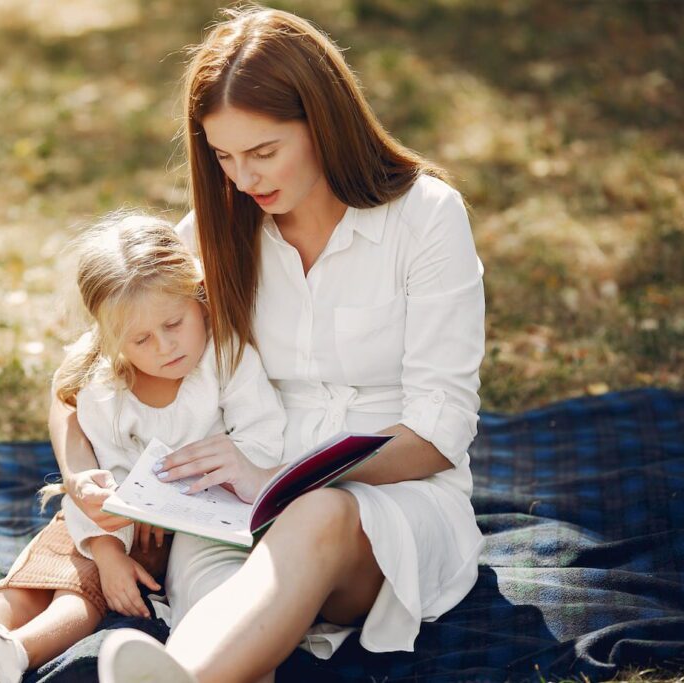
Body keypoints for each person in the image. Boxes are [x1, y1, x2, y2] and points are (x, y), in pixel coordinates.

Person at [49, 7, 487, 683]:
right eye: (224, 158)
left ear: (323, 124)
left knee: (316, 513)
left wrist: (282, 482)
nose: (245, 179)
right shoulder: (220, 228)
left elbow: (440, 431)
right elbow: (80, 378)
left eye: (263, 152)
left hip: (392, 504)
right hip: (231, 505)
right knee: (148, 555)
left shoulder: (426, 218)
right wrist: (81, 475)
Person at [0, 212, 287, 683]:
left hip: (183, 534)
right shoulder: (107, 390)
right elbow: (100, 490)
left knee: (79, 591)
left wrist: (233, 461)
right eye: (140, 339)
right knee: (43, 571)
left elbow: (265, 439)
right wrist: (107, 550)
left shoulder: (228, 358)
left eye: (174, 323)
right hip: (110, 530)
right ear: (112, 340)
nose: (165, 346)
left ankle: (10, 652)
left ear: (198, 297)